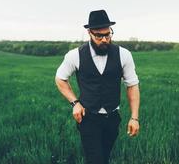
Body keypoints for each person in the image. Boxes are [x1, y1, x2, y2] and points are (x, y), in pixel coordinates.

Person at [55, 9, 140, 164]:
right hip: (88, 118)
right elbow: (60, 79)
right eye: (99, 36)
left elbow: (132, 85)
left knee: (104, 157)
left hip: (113, 118)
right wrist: (75, 103)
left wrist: (134, 117)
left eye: (107, 34)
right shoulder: (75, 55)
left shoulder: (124, 55)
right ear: (89, 33)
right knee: (95, 160)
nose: (104, 39)